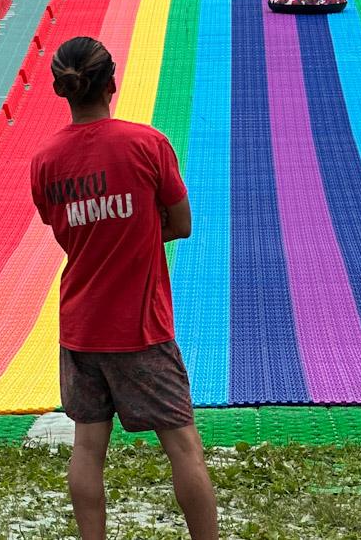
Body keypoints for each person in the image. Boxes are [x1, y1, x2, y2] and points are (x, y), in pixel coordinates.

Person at [30, 36, 219, 540]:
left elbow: (67, 228)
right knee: (183, 445)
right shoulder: (146, 144)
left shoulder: (46, 160)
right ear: (111, 83)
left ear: (64, 91)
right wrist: (138, 225)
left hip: (81, 326)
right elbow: (180, 223)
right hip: (140, 327)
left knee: (87, 447)